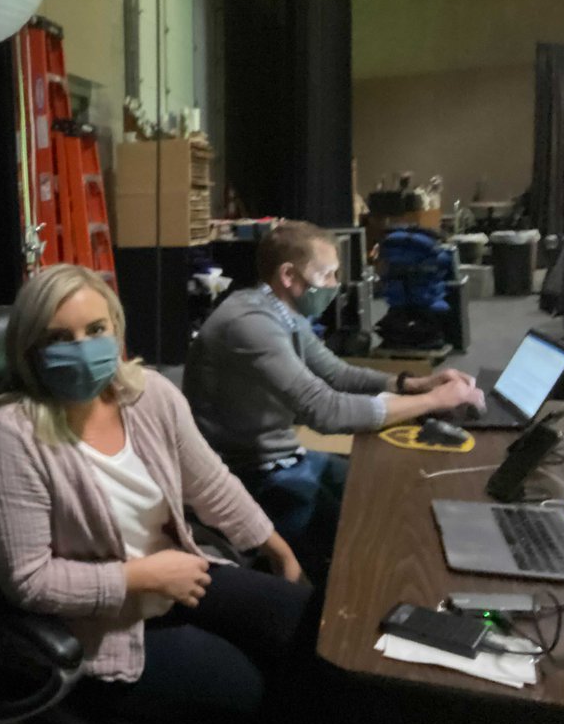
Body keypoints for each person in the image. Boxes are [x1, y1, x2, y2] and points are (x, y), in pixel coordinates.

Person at [0, 264, 391, 724]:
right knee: (279, 695)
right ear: (29, 349)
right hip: (103, 626)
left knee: (332, 647)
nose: (83, 347)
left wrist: (278, 550)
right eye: (60, 337)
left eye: (96, 330)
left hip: (181, 577)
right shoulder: (9, 436)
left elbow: (211, 485)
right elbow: (28, 579)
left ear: (117, 329)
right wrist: (140, 576)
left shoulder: (149, 394)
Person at [183, 220, 484, 580]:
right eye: (326, 275)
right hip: (250, 477)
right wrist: (435, 400)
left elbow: (338, 374)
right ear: (289, 276)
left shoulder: (280, 312)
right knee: (361, 545)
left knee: (382, 489)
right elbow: (325, 411)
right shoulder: (250, 324)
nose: (334, 285)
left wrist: (415, 385)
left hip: (283, 457)